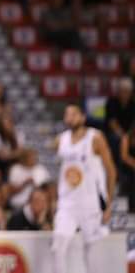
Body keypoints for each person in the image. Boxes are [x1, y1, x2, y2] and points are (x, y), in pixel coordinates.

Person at [52, 104, 117, 273]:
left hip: (90, 202)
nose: (70, 117)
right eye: (67, 114)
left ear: (83, 117)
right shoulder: (61, 140)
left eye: (74, 114)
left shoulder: (95, 138)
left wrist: (108, 203)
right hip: (67, 203)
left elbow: (110, 170)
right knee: (58, 246)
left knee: (92, 252)